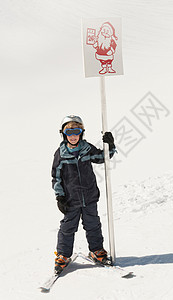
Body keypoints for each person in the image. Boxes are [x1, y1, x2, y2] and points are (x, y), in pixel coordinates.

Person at [51, 115, 116, 274]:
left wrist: (110, 145)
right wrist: (60, 196)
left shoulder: (87, 149)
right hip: (70, 200)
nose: (73, 136)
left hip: (89, 196)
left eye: (77, 131)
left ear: (82, 133)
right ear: (63, 134)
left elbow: (102, 157)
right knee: (68, 227)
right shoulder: (60, 154)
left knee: (93, 224)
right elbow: (56, 177)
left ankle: (97, 250)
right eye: (69, 132)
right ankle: (63, 255)